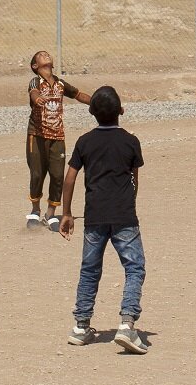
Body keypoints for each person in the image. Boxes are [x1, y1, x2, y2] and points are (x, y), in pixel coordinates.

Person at [60, 85, 149, 354]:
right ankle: (126, 324)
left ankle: (80, 326)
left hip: (94, 216)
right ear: (121, 111)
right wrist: (127, 204)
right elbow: (134, 180)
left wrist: (66, 213)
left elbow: (71, 178)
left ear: (91, 113)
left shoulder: (84, 142)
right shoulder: (130, 141)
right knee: (134, 268)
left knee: (89, 270)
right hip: (123, 215)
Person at [26, 49, 87, 230]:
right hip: (36, 134)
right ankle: (35, 210)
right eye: (41, 55)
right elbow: (34, 93)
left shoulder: (60, 83)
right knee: (37, 174)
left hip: (57, 135)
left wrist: (99, 102)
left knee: (58, 175)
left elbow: (78, 94)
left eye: (47, 54)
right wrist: (38, 100)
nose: (46, 55)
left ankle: (50, 214)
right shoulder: (35, 81)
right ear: (35, 66)